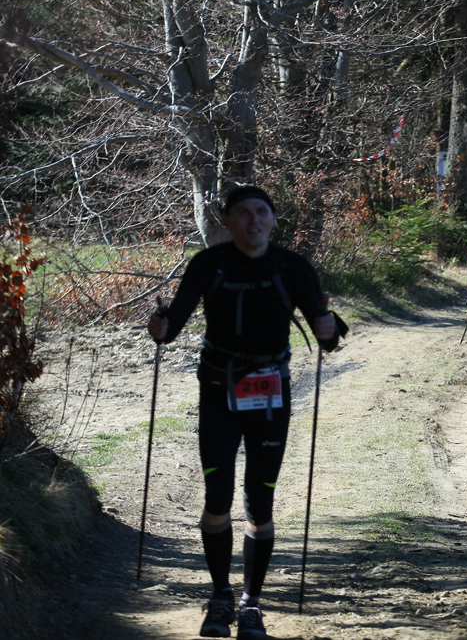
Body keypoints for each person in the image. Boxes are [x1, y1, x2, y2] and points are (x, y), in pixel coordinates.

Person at [147, 186, 340, 639]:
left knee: (259, 500)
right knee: (218, 494)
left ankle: (252, 604)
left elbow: (326, 336)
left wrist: (328, 330)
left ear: (273, 220)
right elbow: (170, 329)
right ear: (227, 221)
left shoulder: (293, 267)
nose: (253, 221)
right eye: (243, 213)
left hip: (270, 394)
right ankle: (220, 597)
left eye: (261, 212)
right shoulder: (208, 264)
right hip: (219, 391)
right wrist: (159, 326)